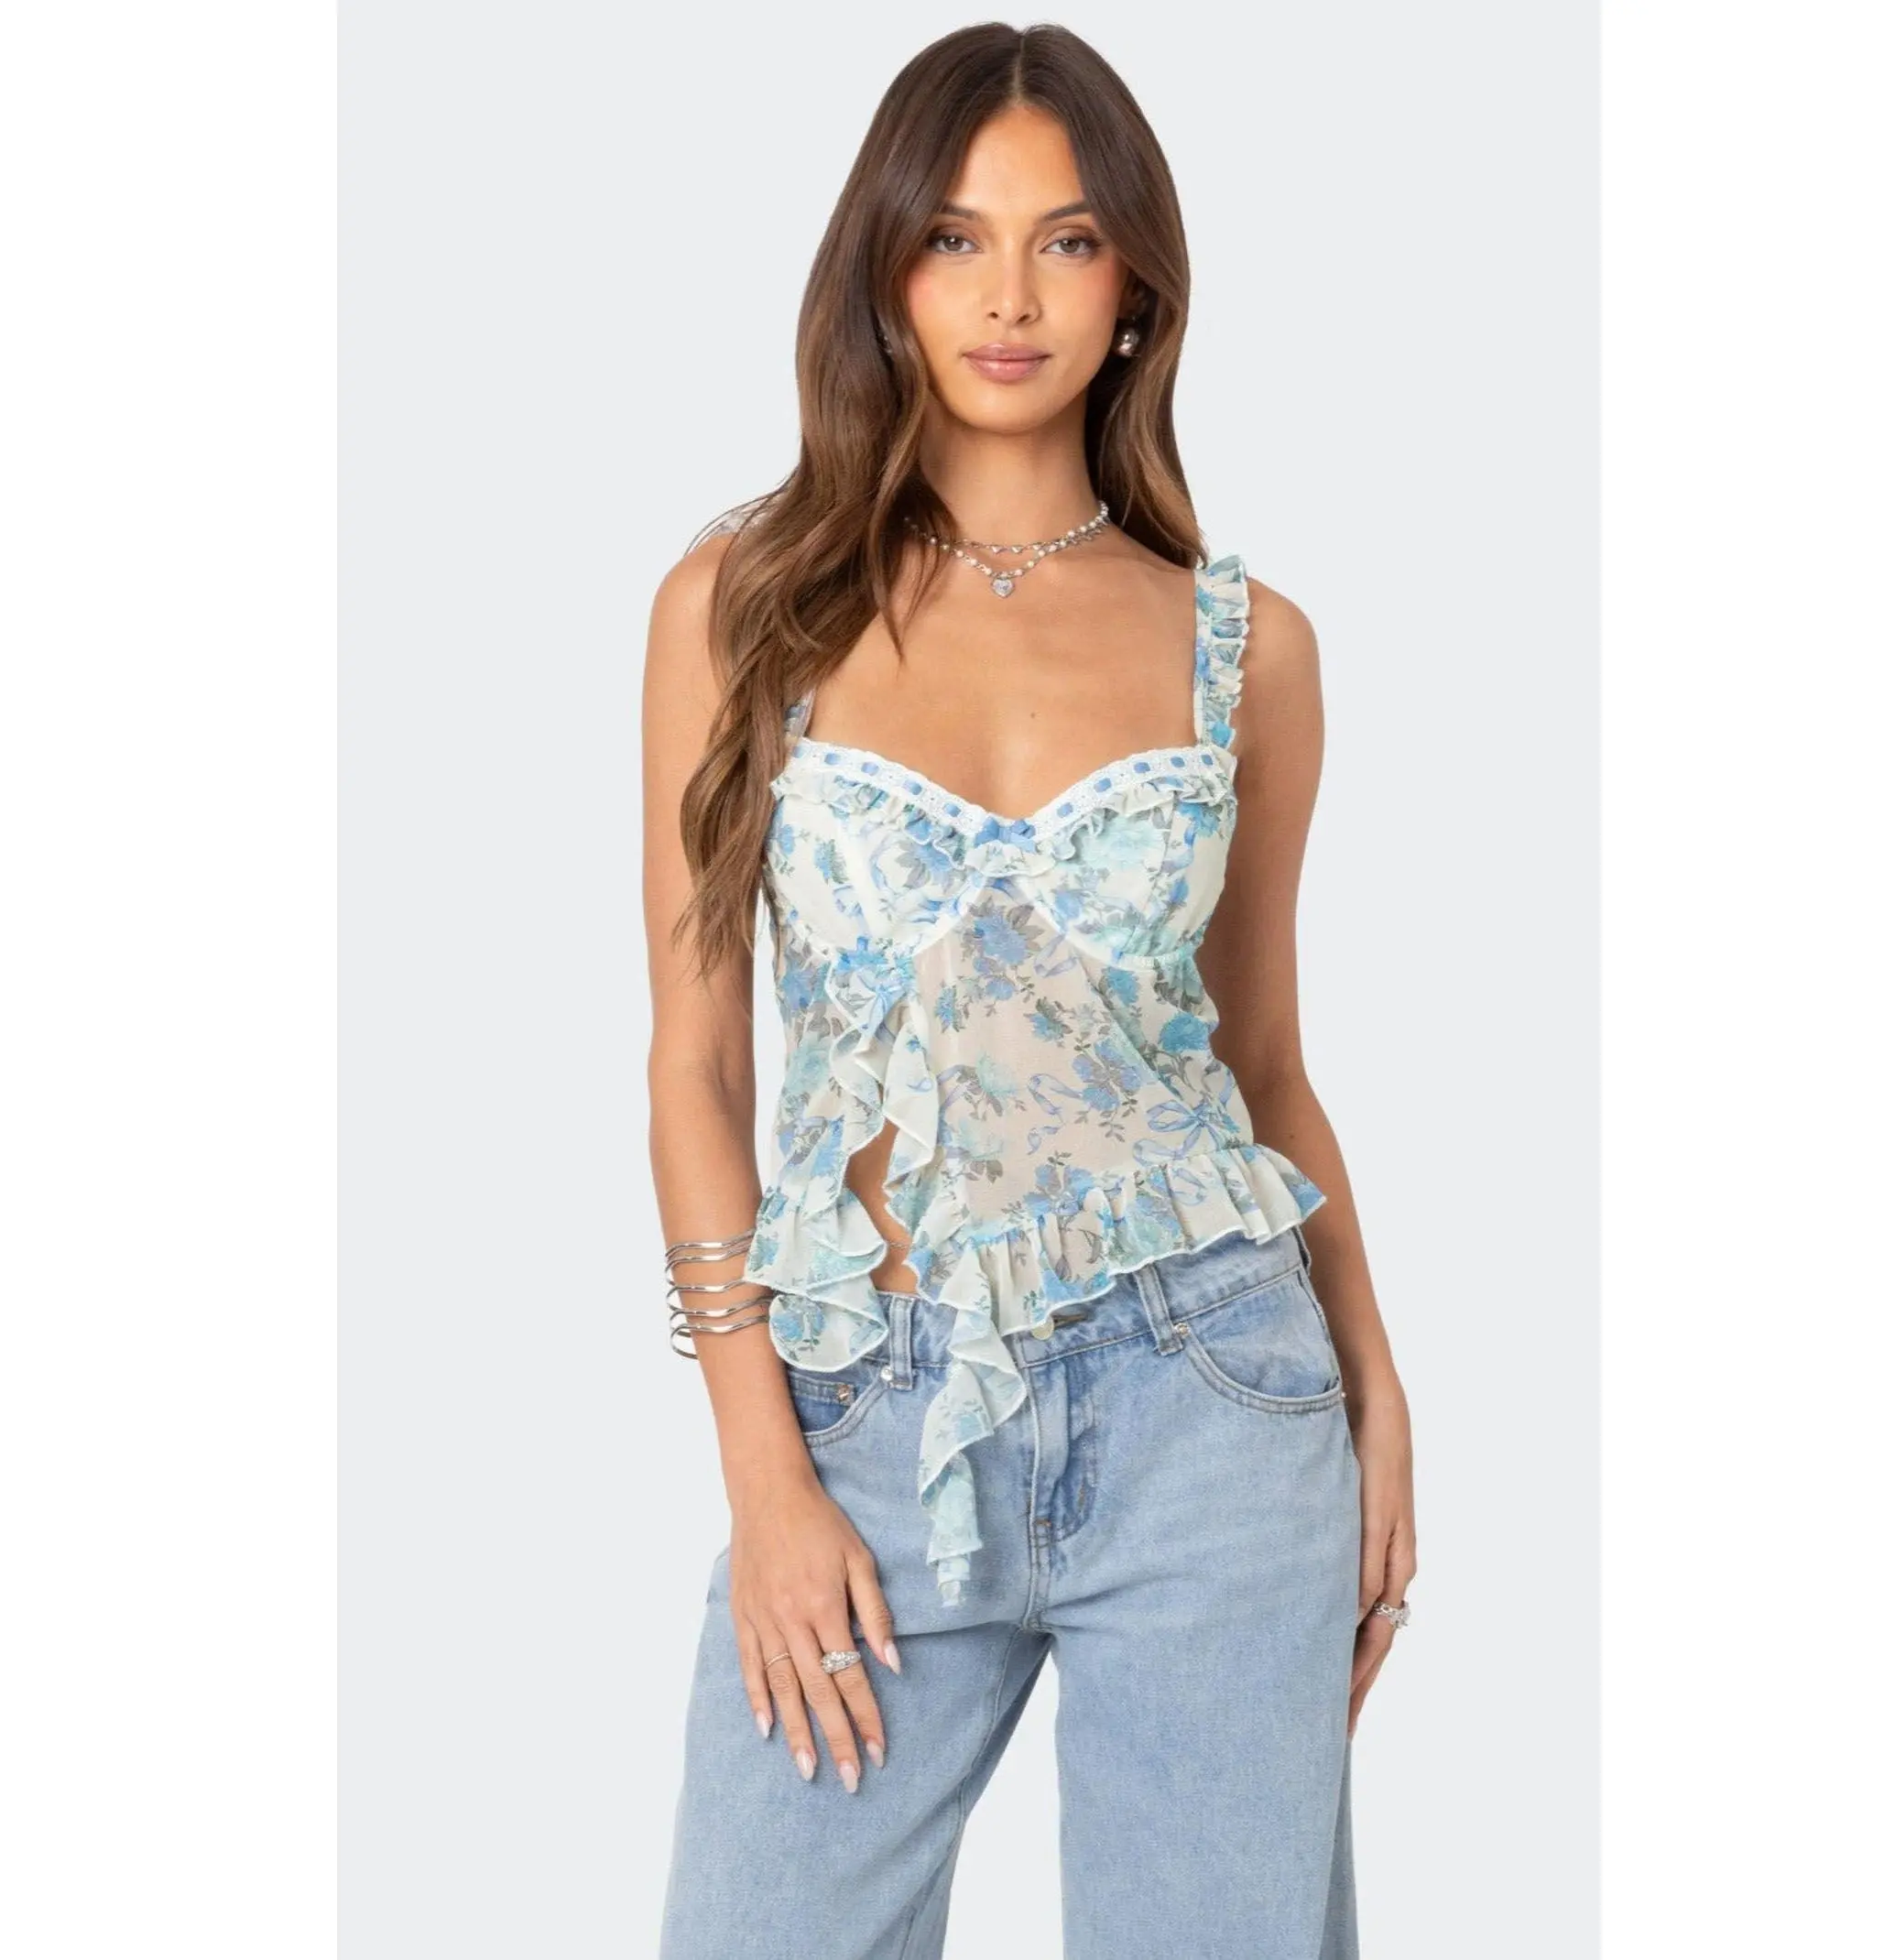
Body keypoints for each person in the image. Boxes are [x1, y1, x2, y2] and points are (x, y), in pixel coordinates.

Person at [642, 23, 1414, 1958]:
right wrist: (763, 1465)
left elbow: (1262, 1065)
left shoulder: (1246, 646)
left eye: (1064, 242)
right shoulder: (742, 604)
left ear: (1133, 281)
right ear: (885, 270)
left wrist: (1375, 1386)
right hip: (864, 1401)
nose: (1009, 297)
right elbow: (696, 1065)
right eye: (956, 240)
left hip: (1212, 1392)